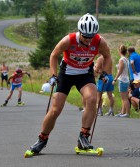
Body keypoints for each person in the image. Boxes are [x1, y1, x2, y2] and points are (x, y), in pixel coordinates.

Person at [27, 13, 112, 154]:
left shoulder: (99, 42)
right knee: (55, 109)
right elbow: (54, 55)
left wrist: (105, 73)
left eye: (91, 37)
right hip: (66, 73)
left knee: (91, 99)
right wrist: (53, 75)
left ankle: (83, 137)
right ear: (80, 32)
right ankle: (42, 139)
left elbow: (107, 56)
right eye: (86, 37)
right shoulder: (69, 40)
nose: (89, 40)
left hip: (85, 74)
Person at [112, 45, 130, 118]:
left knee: (124, 98)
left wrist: (115, 79)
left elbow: (120, 71)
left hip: (122, 79)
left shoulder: (121, 60)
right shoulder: (126, 59)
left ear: (119, 51)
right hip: (126, 78)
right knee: (124, 97)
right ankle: (123, 112)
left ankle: (127, 113)